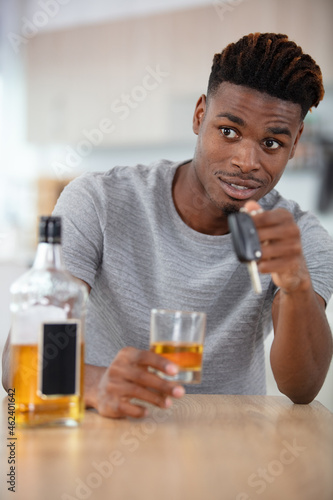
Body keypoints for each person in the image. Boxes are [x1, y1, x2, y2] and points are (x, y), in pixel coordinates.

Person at [2, 33, 333, 419]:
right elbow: (16, 363)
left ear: (295, 145)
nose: (246, 160)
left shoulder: (299, 236)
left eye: (272, 142)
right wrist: (92, 383)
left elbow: (303, 388)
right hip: (108, 426)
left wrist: (296, 286)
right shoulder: (98, 200)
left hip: (233, 441)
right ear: (199, 116)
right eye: (228, 131)